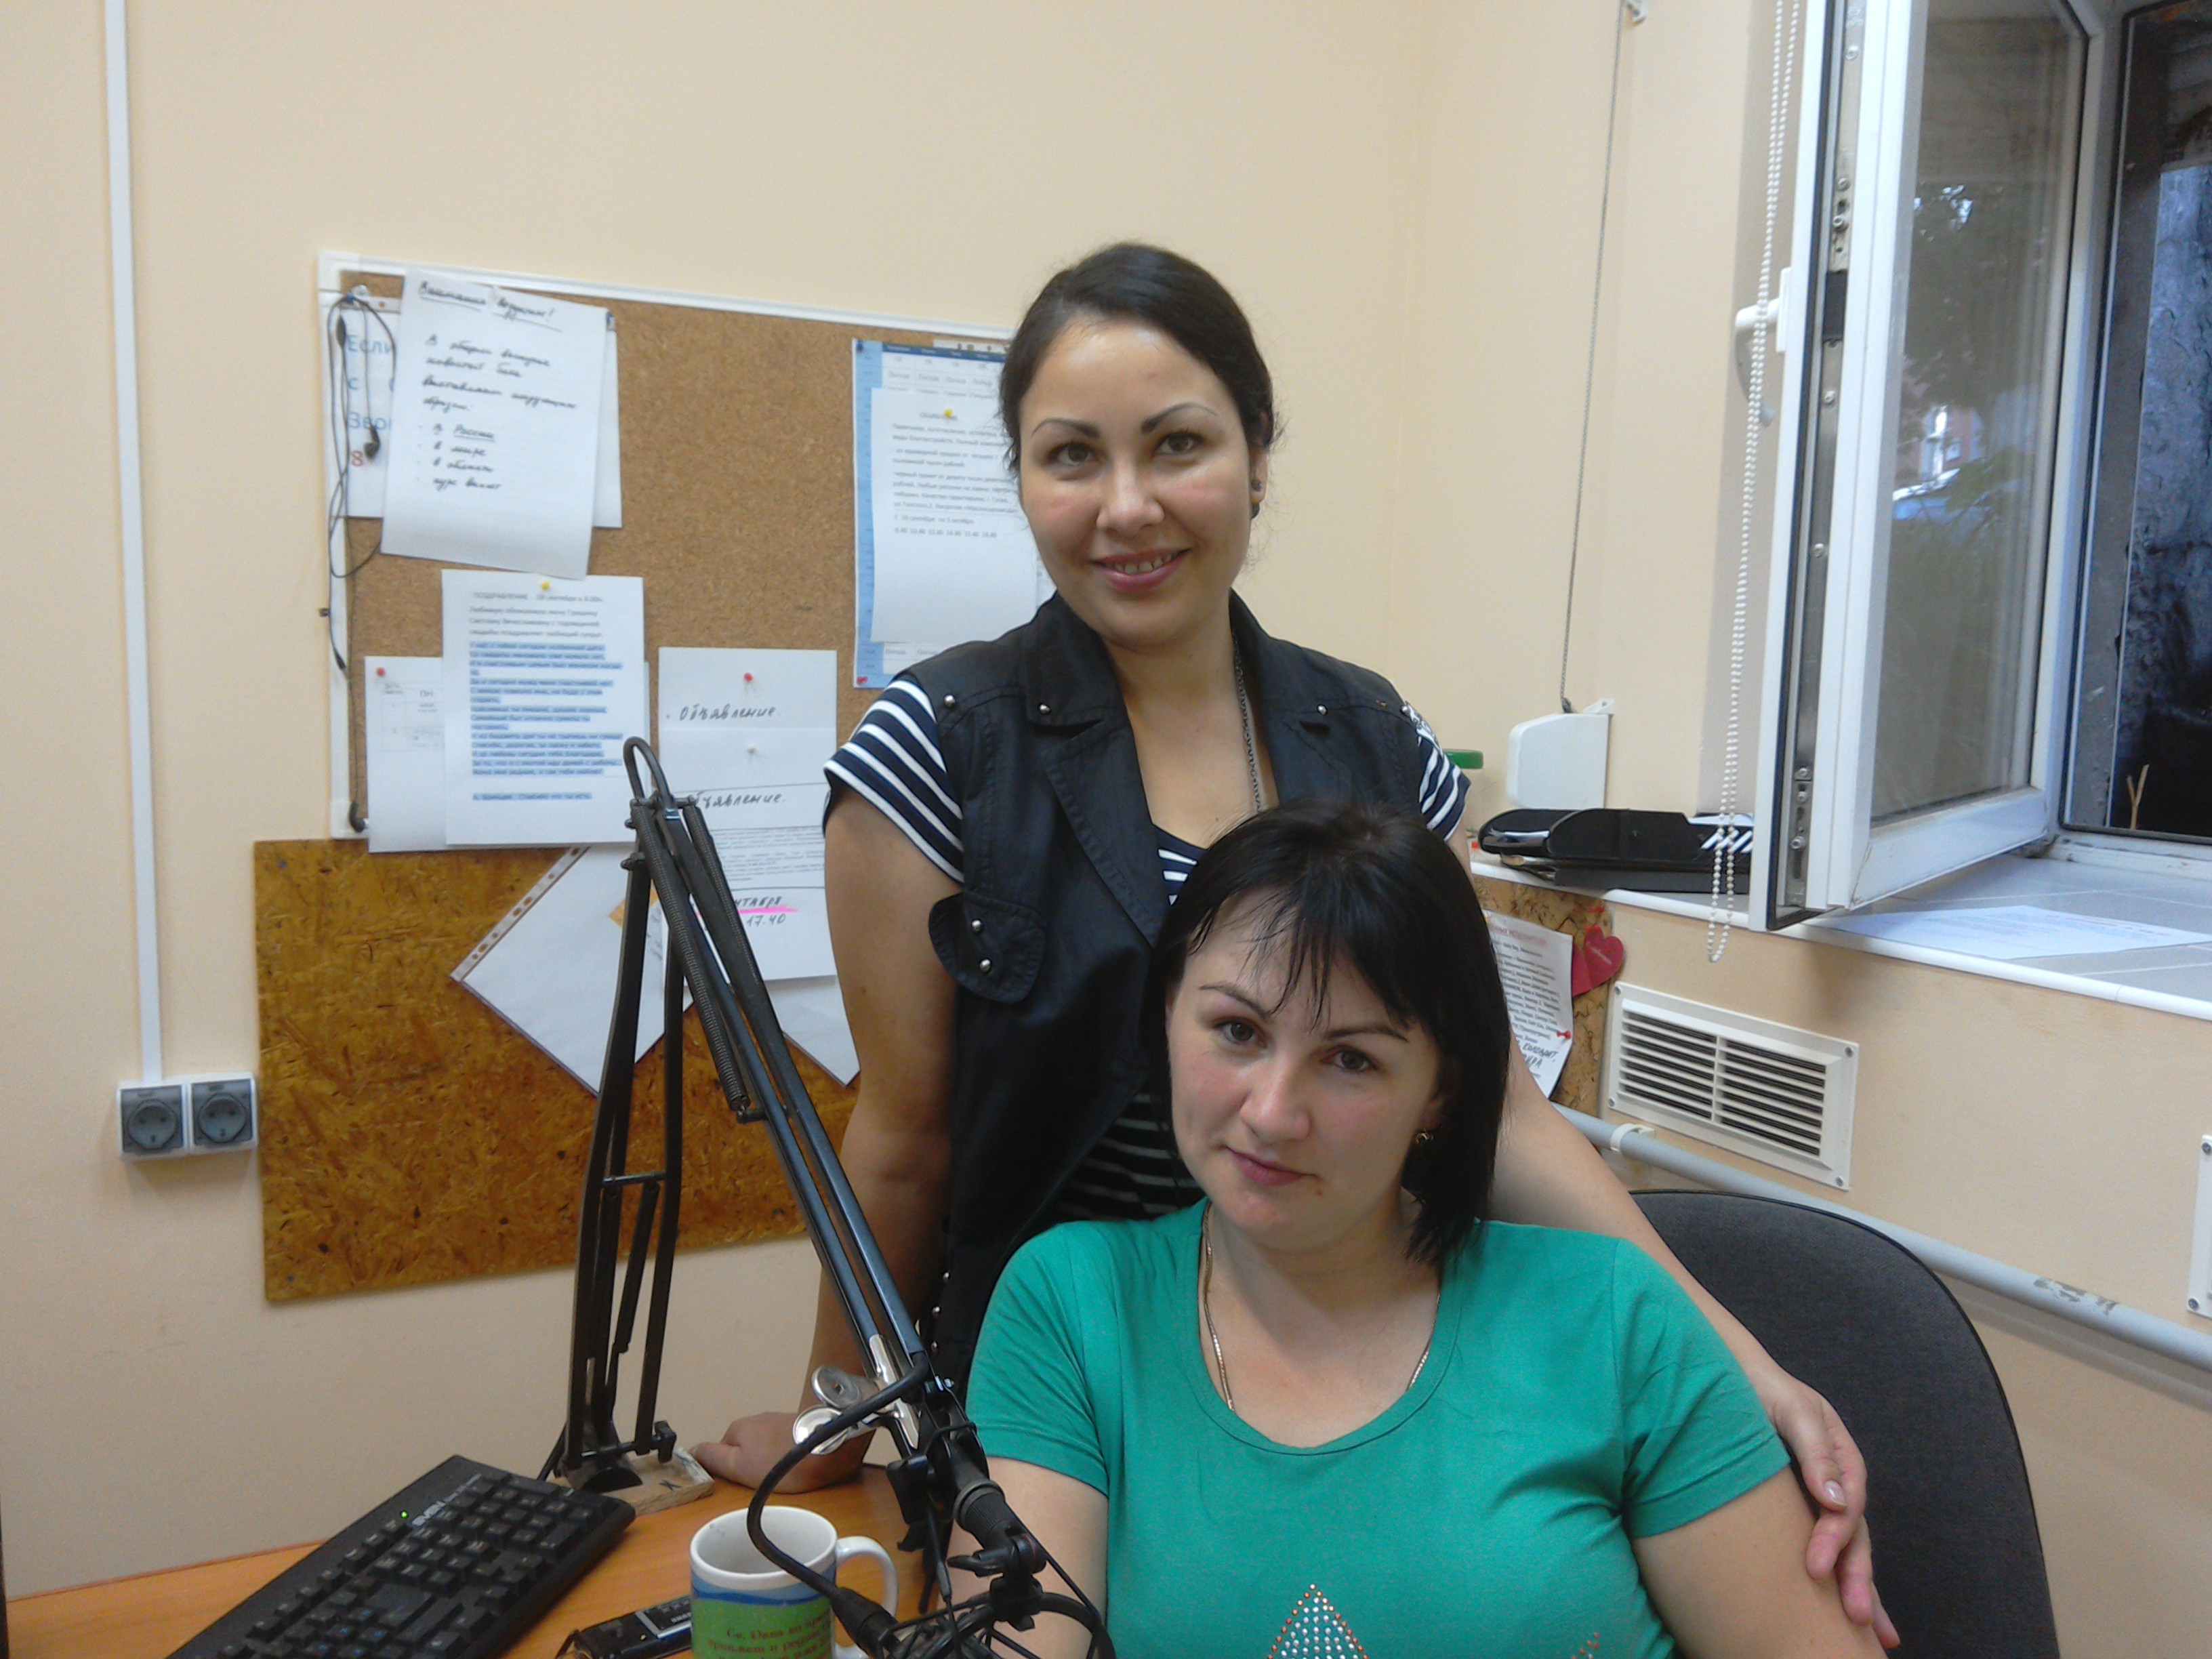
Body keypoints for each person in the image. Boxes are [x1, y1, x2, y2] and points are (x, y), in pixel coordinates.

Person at [695, 243, 1891, 1641]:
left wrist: (1727, 1353)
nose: (1127, 507)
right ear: (1019, 478)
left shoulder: (1379, 744)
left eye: (1178, 445)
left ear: (1257, 458)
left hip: (1355, 1346)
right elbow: (904, 1142)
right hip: (1071, 1389)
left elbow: (1498, 1104)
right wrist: (841, 1423)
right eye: (1071, 456)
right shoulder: (937, 752)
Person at [959, 800, 1885, 1658]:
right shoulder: (1071, 1309)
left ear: (1441, 1090)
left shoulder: (1616, 1319)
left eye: (1351, 1059)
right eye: (1237, 1031)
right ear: (1168, 1011)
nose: (1273, 1113)